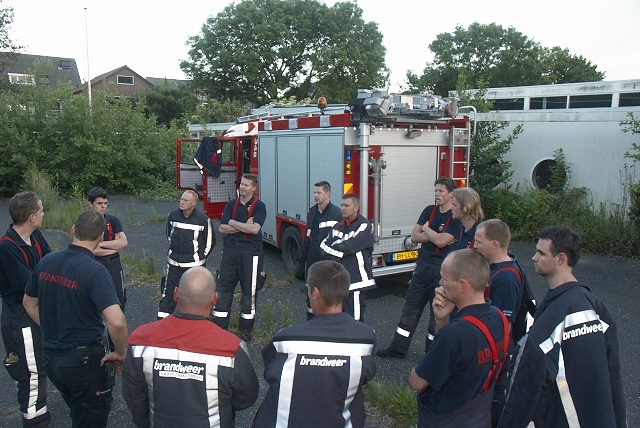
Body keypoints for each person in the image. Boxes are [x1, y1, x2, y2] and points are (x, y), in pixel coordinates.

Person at [498, 227, 627, 428]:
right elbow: (614, 379)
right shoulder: (597, 308)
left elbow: (525, 386)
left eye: (541, 253)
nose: (533, 258)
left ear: (560, 259)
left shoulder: (553, 318)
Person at [22, 210, 128, 428]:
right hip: (84, 362)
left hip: (51, 359)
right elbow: (116, 321)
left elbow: (28, 302)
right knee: (89, 416)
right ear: (100, 238)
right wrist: (120, 352)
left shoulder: (47, 261)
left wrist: (51, 327)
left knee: (78, 410)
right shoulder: (95, 271)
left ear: (72, 231)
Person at [122, 266, 259, 428]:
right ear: (214, 299)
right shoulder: (231, 349)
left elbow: (133, 395)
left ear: (176, 294)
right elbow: (247, 396)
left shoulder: (141, 341)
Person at [251, 260, 376, 428]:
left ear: (315, 294)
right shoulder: (366, 338)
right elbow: (366, 374)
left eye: (308, 291)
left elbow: (270, 372)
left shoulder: (285, 339)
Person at [409, 249, 509, 427]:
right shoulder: (499, 318)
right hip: (479, 417)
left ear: (462, 285)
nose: (440, 283)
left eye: (444, 279)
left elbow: (416, 381)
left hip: (446, 419)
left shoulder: (455, 334)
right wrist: (442, 319)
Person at [377, 177, 460, 358]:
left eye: (440, 191)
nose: (436, 194)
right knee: (410, 308)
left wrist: (428, 231)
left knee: (436, 314)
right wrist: (436, 236)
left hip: (441, 269)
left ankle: (432, 354)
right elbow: (414, 237)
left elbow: (439, 240)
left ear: (450, 194)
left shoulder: (455, 217)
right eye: (435, 191)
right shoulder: (429, 210)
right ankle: (398, 348)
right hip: (423, 265)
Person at [0, 192, 52, 428]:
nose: (43, 213)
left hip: (34, 310)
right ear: (31, 216)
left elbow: (50, 264)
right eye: (41, 210)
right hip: (20, 318)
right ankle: (35, 421)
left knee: (42, 366)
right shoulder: (8, 248)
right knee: (31, 373)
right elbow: (32, 285)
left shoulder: (36, 235)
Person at [472, 219, 524, 427]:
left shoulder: (506, 278)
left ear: (495, 244)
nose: (474, 246)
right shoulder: (493, 268)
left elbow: (504, 325)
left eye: (479, 242)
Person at [212, 174, 267, 341]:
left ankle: (246, 330)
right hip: (230, 252)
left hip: (251, 254)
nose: (242, 187)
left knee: (249, 293)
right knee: (223, 290)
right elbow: (222, 228)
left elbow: (255, 230)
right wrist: (243, 226)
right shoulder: (231, 204)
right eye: (241, 184)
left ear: (254, 188)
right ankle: (219, 328)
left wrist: (232, 223)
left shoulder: (259, 206)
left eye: (246, 185)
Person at [158, 189, 214, 319]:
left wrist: (199, 257)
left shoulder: (203, 220)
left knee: (195, 296)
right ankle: (162, 322)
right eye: (181, 199)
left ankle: (194, 325)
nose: (182, 202)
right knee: (168, 295)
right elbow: (169, 235)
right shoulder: (172, 215)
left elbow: (210, 242)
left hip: (194, 265)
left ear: (193, 203)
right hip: (173, 264)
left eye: (186, 200)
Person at [319, 194, 375, 321]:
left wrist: (335, 247)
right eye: (342, 205)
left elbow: (349, 246)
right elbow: (322, 247)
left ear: (356, 208)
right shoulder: (338, 226)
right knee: (339, 317)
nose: (343, 208)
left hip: (356, 281)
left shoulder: (364, 225)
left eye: (347, 206)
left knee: (354, 320)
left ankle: (359, 340)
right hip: (340, 281)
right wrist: (341, 253)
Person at [301, 180, 342, 319]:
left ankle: (328, 321)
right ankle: (311, 319)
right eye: (314, 192)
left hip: (328, 258)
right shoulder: (312, 212)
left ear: (328, 194)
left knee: (328, 291)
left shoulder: (336, 213)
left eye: (319, 193)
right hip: (313, 254)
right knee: (312, 290)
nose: (316, 195)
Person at [88, 187, 128, 310]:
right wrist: (114, 246)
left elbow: (124, 242)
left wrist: (100, 244)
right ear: (91, 204)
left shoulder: (113, 221)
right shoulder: (85, 222)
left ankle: (115, 328)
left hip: (113, 263)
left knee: (119, 298)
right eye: (99, 203)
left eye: (105, 203)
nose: (103, 206)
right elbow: (90, 250)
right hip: (94, 262)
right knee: (93, 299)